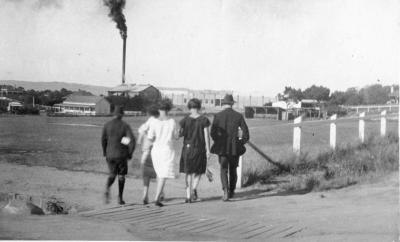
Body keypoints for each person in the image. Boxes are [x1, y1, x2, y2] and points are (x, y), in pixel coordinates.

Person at [210, 94, 249, 201]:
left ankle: (225, 191)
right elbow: (246, 134)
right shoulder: (238, 116)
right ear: (232, 104)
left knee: (223, 169)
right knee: (233, 169)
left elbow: (212, 133)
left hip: (222, 148)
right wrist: (240, 143)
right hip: (234, 147)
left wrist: (218, 142)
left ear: (223, 104)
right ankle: (232, 191)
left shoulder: (218, 116)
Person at [147, 99, 179, 207]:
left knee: (159, 173)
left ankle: (160, 194)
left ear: (158, 109)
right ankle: (157, 198)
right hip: (167, 149)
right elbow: (176, 137)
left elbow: (150, 138)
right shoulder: (172, 122)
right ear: (168, 109)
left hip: (156, 150)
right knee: (163, 174)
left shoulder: (154, 122)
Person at [179, 98, 211, 203]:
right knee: (198, 171)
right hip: (199, 149)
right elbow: (207, 136)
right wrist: (208, 149)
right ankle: (193, 190)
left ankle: (188, 196)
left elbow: (180, 134)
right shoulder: (204, 120)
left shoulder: (185, 120)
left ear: (189, 107)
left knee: (188, 173)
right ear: (199, 107)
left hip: (187, 149)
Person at [101, 106, 135, 205]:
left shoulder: (107, 125)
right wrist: (130, 153)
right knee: (121, 176)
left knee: (112, 174)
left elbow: (103, 140)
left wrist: (104, 151)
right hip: (121, 155)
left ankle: (107, 188)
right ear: (122, 115)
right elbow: (132, 141)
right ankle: (120, 198)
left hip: (110, 154)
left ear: (113, 114)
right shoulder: (125, 126)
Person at [137, 105, 159, 205]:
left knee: (146, 174)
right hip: (157, 151)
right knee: (159, 173)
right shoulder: (158, 123)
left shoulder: (145, 125)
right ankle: (160, 193)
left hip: (145, 152)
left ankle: (145, 194)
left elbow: (138, 140)